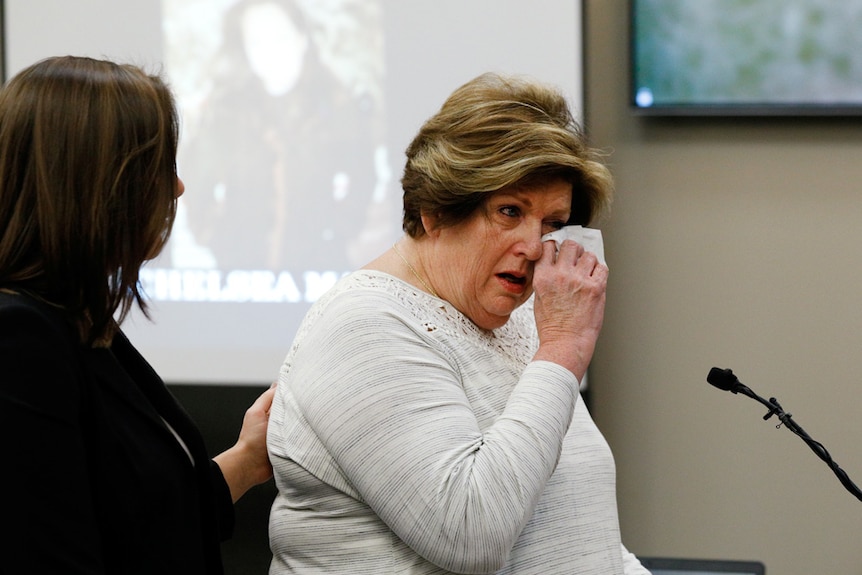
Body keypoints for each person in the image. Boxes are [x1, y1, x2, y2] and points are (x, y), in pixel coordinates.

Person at [267, 72, 651, 574]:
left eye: (553, 223)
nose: (536, 247)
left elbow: (583, 528)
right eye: (509, 211)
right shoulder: (361, 326)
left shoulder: (514, 319)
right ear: (434, 210)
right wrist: (561, 349)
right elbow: (470, 533)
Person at [0, 56, 275, 574]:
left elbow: (139, 518)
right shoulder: (20, 340)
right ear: (94, 182)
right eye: (159, 167)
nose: (177, 189)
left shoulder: (77, 322)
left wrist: (246, 458)